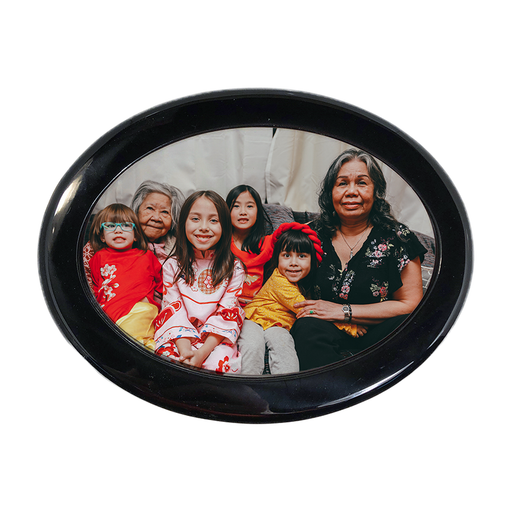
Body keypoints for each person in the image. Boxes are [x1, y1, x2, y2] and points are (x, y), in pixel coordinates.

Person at [290, 149, 427, 371]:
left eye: (362, 183)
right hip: (326, 327)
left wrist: (344, 311)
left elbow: (410, 304)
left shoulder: (399, 238)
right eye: (342, 183)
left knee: (412, 325)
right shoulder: (309, 235)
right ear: (330, 192)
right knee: (306, 326)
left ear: (376, 191)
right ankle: (332, 390)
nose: (351, 191)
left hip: (378, 331)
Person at [154, 191, 245, 373]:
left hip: (215, 339)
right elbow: (173, 309)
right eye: (195, 219)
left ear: (225, 227)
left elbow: (227, 314)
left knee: (217, 365)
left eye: (213, 220)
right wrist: (186, 352)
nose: (204, 227)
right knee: (169, 363)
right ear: (183, 224)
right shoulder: (172, 266)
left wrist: (201, 354)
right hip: (180, 338)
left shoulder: (234, 268)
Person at [84, 180, 184, 288]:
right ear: (136, 211)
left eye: (165, 212)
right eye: (150, 208)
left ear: (173, 220)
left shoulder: (182, 251)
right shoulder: (101, 244)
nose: (156, 218)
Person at [89, 204, 163, 350]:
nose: (118, 230)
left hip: (139, 309)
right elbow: (96, 288)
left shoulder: (146, 255)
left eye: (126, 225)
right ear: (102, 236)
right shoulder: (98, 257)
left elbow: (163, 286)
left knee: (131, 344)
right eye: (110, 226)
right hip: (108, 313)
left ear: (135, 235)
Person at [226, 185, 274, 306]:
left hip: (255, 306)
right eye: (236, 206)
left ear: (258, 212)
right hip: (225, 304)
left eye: (249, 206)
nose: (243, 212)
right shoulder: (221, 242)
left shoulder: (266, 243)